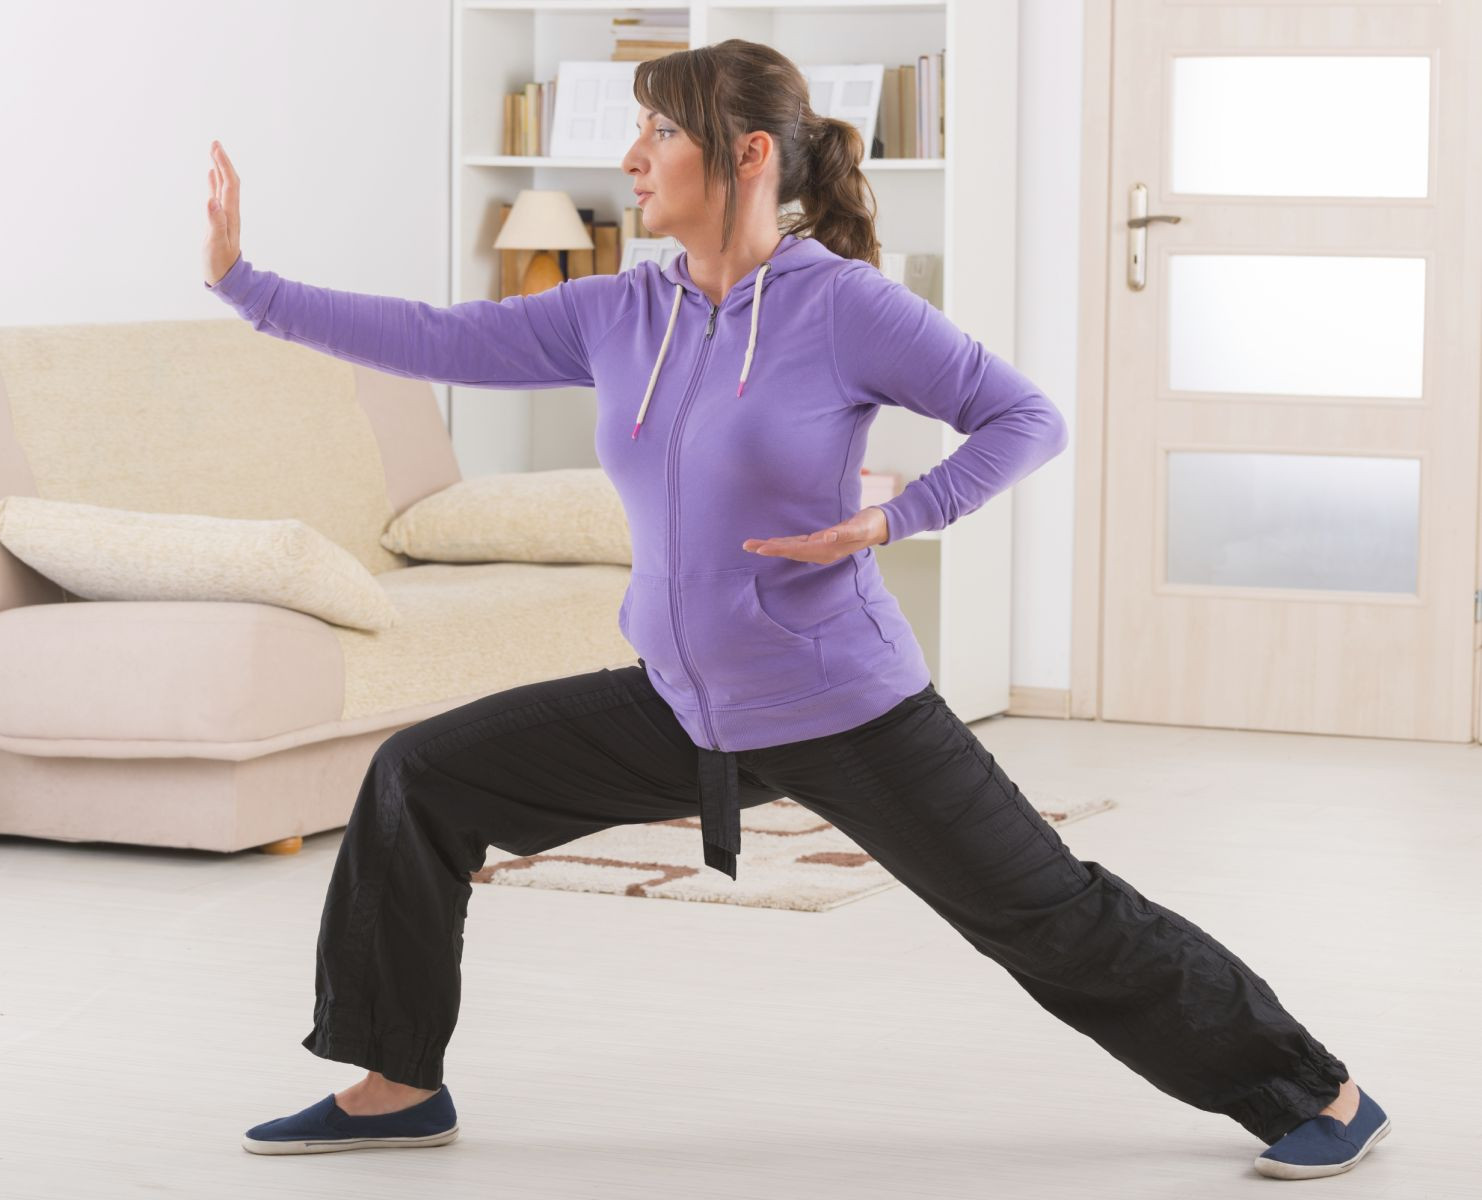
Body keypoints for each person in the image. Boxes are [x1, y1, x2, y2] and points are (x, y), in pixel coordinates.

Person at [210, 38, 1388, 1180]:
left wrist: (893, 518)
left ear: (750, 155)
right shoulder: (620, 312)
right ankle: (397, 1085)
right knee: (423, 777)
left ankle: (1315, 1089)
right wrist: (242, 285)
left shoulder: (843, 308)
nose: (633, 156)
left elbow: (1026, 418)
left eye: (661, 131)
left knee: (1048, 917)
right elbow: (431, 337)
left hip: (840, 703)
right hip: (684, 701)